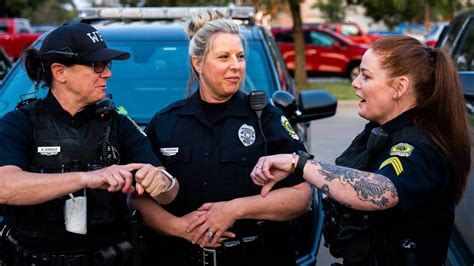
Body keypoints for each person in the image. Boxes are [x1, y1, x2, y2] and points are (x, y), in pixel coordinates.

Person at [250, 34, 470, 266]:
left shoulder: (417, 146)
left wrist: (300, 164)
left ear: (399, 86)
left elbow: (381, 190)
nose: (355, 83)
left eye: (366, 76)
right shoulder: (382, 129)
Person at [129, 10, 312, 266]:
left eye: (240, 57)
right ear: (198, 63)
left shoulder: (266, 118)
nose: (235, 65)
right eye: (224, 57)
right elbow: (138, 199)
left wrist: (235, 209)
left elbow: (302, 197)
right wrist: (179, 227)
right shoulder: (165, 122)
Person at [0, 22, 179, 265]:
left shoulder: (118, 124)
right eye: (97, 65)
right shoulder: (18, 123)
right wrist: (87, 177)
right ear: (60, 72)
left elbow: (170, 191)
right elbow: (5, 187)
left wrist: (163, 181)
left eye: (107, 64)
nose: (107, 73)